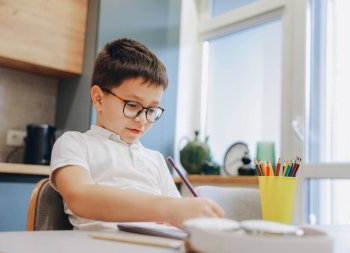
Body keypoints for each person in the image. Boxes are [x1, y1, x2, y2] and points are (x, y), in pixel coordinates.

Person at [50, 38, 224, 230]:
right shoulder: (75, 143)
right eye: (132, 105)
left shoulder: (155, 159)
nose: (143, 119)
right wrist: (168, 208)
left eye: (151, 110)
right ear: (99, 99)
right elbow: (80, 197)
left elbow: (177, 215)